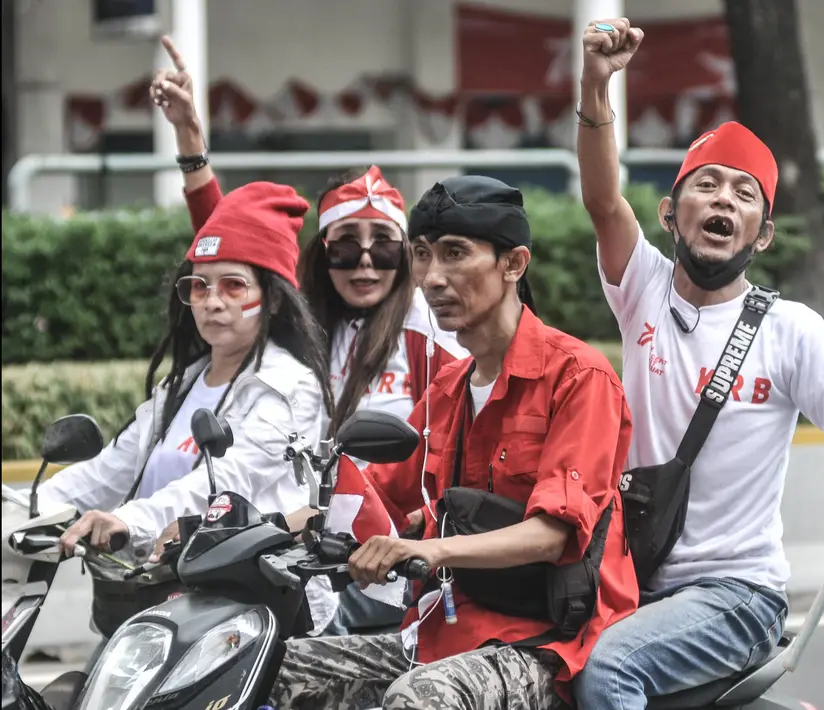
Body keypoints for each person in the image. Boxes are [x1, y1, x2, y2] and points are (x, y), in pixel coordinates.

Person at [571, 18, 824, 709]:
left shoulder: (791, 330)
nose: (723, 199)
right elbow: (600, 195)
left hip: (736, 595)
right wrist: (595, 82)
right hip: (631, 579)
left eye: (743, 193)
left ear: (760, 235)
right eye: (706, 186)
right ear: (671, 214)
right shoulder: (639, 288)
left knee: (608, 673)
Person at [267, 175, 640, 710]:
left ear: (513, 264)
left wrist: (429, 547)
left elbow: (552, 535)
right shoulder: (447, 389)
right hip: (442, 633)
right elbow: (373, 497)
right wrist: (258, 530)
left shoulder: (579, 377)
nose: (433, 278)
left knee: (419, 699)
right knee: (273, 668)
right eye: (422, 255)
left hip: (545, 642)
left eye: (455, 254)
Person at [149, 35, 467, 632]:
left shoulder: (432, 325)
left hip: (384, 551)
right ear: (322, 256)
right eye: (345, 249)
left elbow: (444, 446)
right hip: (285, 541)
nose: (366, 266)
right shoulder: (303, 326)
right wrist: (192, 145)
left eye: (385, 249)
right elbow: (228, 251)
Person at [44, 181, 340, 639]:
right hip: (167, 608)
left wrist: (128, 521)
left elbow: (226, 485)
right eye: (198, 286)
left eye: (233, 285)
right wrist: (27, 509)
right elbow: (109, 471)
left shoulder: (290, 387)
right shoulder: (181, 385)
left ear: (274, 297)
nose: (213, 300)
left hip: (255, 620)